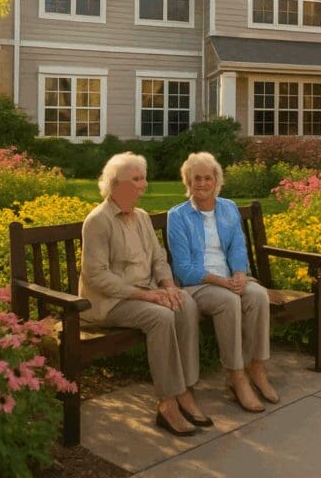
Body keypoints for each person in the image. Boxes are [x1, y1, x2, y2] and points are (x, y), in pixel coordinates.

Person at [80, 152, 209, 437]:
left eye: (143, 178)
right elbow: (97, 276)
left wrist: (167, 286)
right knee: (161, 317)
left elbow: (159, 259)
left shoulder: (141, 217)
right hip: (110, 303)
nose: (144, 184)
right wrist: (146, 296)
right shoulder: (98, 221)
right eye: (136, 179)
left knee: (186, 303)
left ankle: (186, 390)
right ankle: (167, 403)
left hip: (145, 295)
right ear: (116, 185)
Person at [167, 152, 277, 413]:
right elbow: (183, 267)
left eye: (208, 178)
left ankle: (256, 367)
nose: (203, 183)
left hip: (229, 278)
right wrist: (221, 282)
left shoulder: (227, 208)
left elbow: (238, 246)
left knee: (258, 295)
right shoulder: (178, 216)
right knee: (228, 300)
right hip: (199, 285)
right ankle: (236, 375)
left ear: (217, 180)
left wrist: (239, 273)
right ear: (188, 182)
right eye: (197, 179)